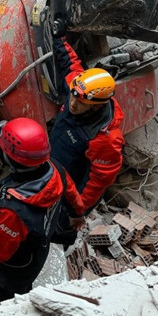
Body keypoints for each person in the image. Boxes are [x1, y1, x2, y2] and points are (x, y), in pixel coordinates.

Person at [0, 117, 84, 308]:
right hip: (38, 249)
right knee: (24, 283)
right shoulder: (54, 168)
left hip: (16, 263)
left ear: (10, 159)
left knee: (10, 289)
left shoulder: (14, 209)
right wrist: (77, 215)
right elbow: (72, 194)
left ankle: (7, 305)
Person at [48, 36, 124, 246]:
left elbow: (97, 182)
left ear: (97, 106)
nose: (72, 104)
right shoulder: (79, 88)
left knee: (61, 228)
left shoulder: (104, 139)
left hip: (71, 193)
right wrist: (58, 36)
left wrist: (77, 210)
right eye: (72, 96)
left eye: (80, 103)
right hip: (53, 171)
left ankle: (58, 248)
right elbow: (69, 62)